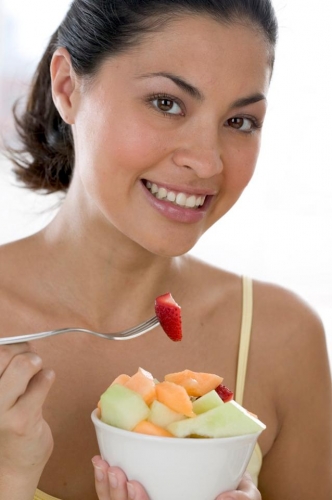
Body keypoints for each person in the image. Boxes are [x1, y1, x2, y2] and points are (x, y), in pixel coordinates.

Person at [0, 0, 331, 499]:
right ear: (68, 86)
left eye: (239, 122)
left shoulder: (282, 340)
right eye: (166, 103)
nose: (206, 161)